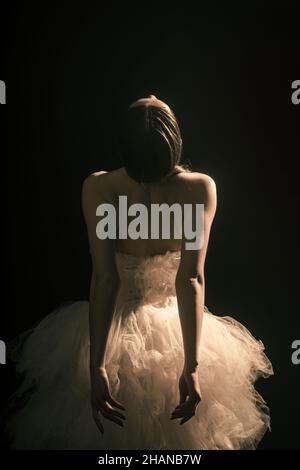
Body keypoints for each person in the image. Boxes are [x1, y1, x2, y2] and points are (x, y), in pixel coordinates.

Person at [6, 95, 273, 450]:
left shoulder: (98, 188)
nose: (152, 96)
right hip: (175, 329)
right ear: (173, 139)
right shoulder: (198, 188)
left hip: (112, 327)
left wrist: (97, 365)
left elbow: (105, 278)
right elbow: (190, 279)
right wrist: (191, 366)